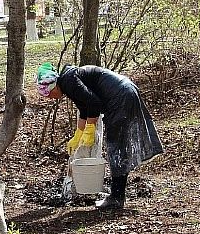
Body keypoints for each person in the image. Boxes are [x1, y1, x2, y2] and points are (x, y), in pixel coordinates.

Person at [36, 63, 163, 210]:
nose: (51, 98)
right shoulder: (68, 81)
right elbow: (84, 108)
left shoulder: (69, 82)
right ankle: (117, 196)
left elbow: (94, 103)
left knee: (116, 147)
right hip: (124, 91)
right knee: (117, 146)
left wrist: (90, 129)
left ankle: (116, 198)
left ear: (53, 86)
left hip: (120, 97)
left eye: (48, 94)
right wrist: (78, 134)